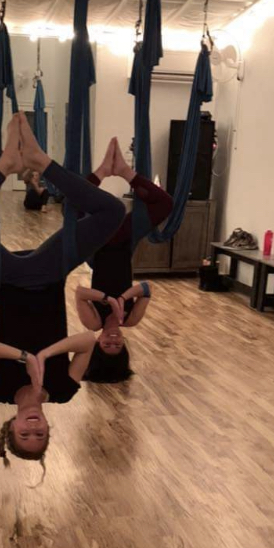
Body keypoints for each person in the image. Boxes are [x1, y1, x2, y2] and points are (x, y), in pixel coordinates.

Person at [0, 113, 126, 470]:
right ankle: (41, 163)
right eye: (40, 435)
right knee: (112, 211)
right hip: (49, 274)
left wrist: (26, 358)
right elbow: (88, 341)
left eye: (25, 435)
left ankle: (4, 166)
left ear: (12, 426)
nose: (33, 429)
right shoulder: (64, 390)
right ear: (48, 429)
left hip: (4, 280)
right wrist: (47, 355)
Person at [76, 138, 173, 383]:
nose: (113, 340)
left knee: (70, 208)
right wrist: (123, 299)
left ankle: (102, 171)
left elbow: (80, 293)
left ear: (98, 342)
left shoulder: (93, 322)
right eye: (117, 346)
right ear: (124, 345)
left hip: (96, 247)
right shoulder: (130, 319)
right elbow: (146, 289)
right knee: (165, 204)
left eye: (106, 345)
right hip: (123, 245)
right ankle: (124, 172)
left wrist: (108, 299)